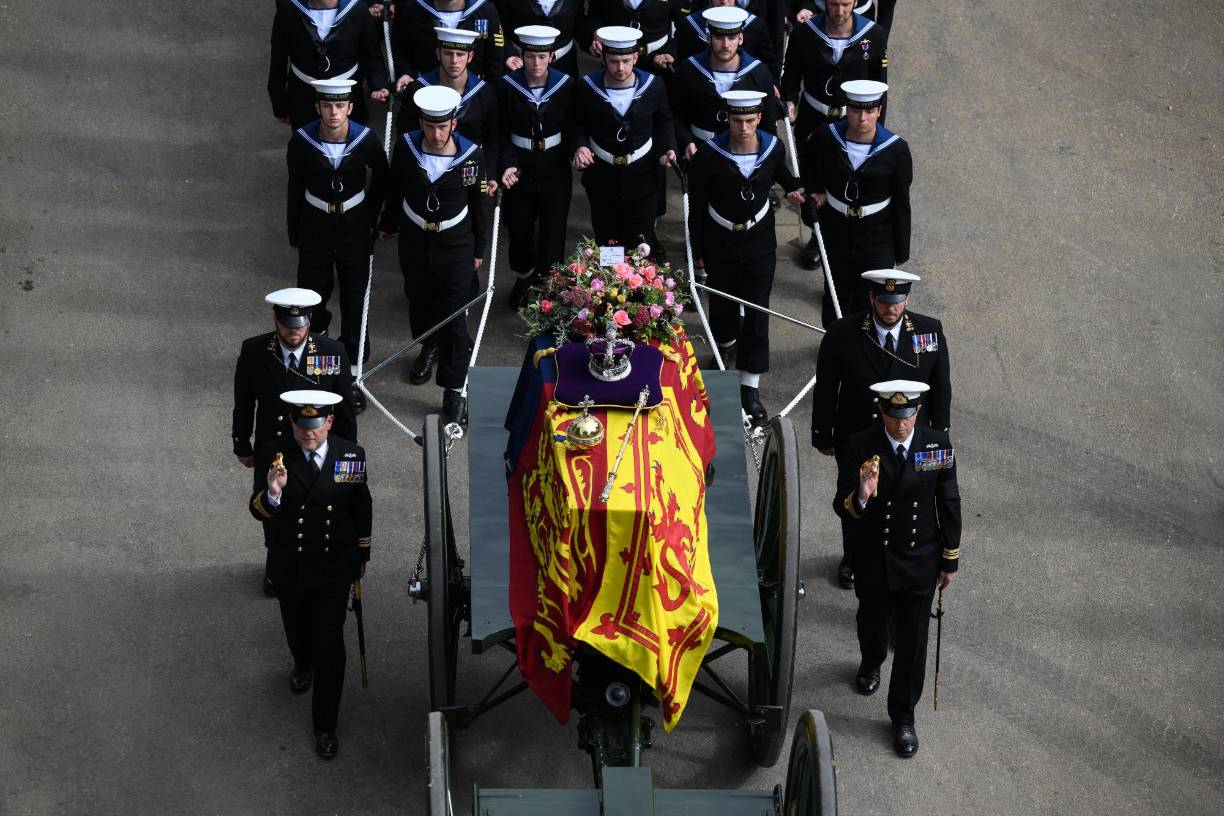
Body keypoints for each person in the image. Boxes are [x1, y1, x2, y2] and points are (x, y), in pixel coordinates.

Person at [833, 380, 959, 758]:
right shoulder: (860, 446)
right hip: (875, 557)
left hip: (920, 559)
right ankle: (871, 661)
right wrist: (862, 495)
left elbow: (948, 499)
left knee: (913, 642)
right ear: (882, 412)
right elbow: (843, 507)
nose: (900, 424)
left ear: (917, 412)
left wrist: (949, 557)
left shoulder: (937, 446)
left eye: (906, 416)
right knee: (871, 624)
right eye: (892, 415)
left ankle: (903, 716)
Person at [250, 389, 372, 760]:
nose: (309, 434)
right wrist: (273, 493)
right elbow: (257, 510)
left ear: (330, 422)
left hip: (334, 566)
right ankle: (302, 663)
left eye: (316, 427)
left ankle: (325, 725)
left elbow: (361, 505)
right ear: (292, 422)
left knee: (331, 644)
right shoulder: (273, 454)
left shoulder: (351, 454)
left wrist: (362, 553)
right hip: (291, 562)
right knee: (297, 627)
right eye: (302, 426)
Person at [811, 269, 950, 589]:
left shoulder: (928, 332)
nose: (891, 310)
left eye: (898, 302)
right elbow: (827, 387)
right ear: (872, 298)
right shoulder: (842, 333)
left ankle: (899, 558)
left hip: (910, 435)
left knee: (903, 500)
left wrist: (940, 432)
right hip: (858, 435)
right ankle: (853, 557)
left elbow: (940, 386)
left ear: (907, 299)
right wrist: (823, 433)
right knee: (856, 497)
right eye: (884, 302)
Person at [379, 86, 495, 425]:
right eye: (429, 126)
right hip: (415, 241)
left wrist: (478, 249)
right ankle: (429, 345)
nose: (435, 133)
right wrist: (387, 224)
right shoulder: (407, 147)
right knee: (419, 301)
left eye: (442, 127)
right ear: (421, 123)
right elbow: (395, 187)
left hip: (456, 245)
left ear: (453, 125)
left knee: (455, 319)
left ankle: (453, 387)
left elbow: (478, 204)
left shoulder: (471, 156)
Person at [689, 91, 804, 425]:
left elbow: (781, 175)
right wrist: (697, 253)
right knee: (722, 304)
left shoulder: (771, 148)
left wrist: (797, 187)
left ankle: (750, 388)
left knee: (757, 309)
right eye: (737, 120)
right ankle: (723, 346)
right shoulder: (709, 156)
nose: (743, 127)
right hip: (719, 239)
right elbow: (696, 208)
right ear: (728, 118)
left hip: (758, 241)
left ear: (758, 120)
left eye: (749, 121)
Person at [233, 289, 359, 596]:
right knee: (274, 510)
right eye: (288, 324)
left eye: (300, 324)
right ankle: (277, 565)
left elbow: (344, 411)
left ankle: (317, 563)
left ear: (310, 321)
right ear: (276, 320)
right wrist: (242, 443)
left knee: (319, 508)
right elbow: (244, 400)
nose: (294, 331)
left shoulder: (333, 353)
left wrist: (347, 453)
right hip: (273, 449)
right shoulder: (255, 351)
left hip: (318, 446)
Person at [287, 78, 390, 405]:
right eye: (327, 106)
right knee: (310, 298)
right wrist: (296, 232)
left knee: (355, 300)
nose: (333, 112)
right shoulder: (302, 141)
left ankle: (354, 375)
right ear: (318, 107)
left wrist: (372, 218)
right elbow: (294, 186)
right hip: (316, 227)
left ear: (350, 107)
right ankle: (315, 368)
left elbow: (384, 178)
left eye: (340, 106)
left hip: (354, 228)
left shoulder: (365, 139)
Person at [783, 0, 888, 271]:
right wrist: (791, 100)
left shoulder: (873, 35)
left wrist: (878, 133)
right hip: (813, 119)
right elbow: (792, 73)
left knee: (845, 180)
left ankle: (833, 242)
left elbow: (880, 88)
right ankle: (816, 234)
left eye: (844, 4)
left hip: (852, 122)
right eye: (833, 4)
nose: (839, 12)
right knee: (813, 179)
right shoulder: (806, 32)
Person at [800, 79, 910, 325]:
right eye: (856, 110)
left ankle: (862, 347)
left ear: (879, 111)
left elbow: (902, 202)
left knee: (870, 295)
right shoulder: (826, 137)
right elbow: (807, 162)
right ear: (847, 109)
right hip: (836, 228)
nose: (862, 118)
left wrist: (901, 249)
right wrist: (817, 192)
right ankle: (833, 341)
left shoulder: (896, 149)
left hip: (877, 234)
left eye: (870, 111)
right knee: (835, 292)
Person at [572, 26, 677, 256]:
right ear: (603, 58)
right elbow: (578, 123)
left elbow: (665, 120)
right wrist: (580, 146)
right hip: (603, 174)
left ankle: (641, 291)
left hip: (643, 174)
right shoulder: (587, 86)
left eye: (626, 61)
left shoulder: (654, 85)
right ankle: (610, 291)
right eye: (614, 61)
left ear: (636, 57)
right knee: (608, 242)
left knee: (641, 243)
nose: (620, 68)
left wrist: (669, 147)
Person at [497, 26, 577, 308]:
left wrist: (577, 148)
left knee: (554, 231)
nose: (536, 63)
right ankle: (524, 274)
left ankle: (549, 288)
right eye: (531, 56)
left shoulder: (565, 84)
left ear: (551, 56)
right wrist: (507, 164)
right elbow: (500, 131)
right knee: (518, 229)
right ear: (522, 55)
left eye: (542, 57)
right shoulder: (508, 85)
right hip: (520, 165)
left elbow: (573, 125)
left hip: (554, 165)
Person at [673, 7, 781, 160]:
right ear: (708, 38)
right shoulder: (689, 69)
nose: (725, 45)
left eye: (731, 38)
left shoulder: (759, 72)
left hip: (744, 156)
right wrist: (686, 142)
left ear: (741, 39)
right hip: (700, 152)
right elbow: (677, 115)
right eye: (719, 37)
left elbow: (768, 123)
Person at [268, 0, 390, 128]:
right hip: (303, 97)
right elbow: (278, 61)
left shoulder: (357, 9)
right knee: (306, 144)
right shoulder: (288, 10)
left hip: (348, 96)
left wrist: (378, 85)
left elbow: (371, 55)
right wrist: (279, 104)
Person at [396, 28, 501, 173]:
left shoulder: (485, 93)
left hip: (470, 170)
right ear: (438, 53)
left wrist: (489, 175)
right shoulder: (417, 89)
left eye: (460, 54)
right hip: (425, 169)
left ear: (470, 56)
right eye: (448, 53)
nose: (454, 61)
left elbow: (492, 139)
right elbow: (406, 135)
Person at [391, 0, 505, 86]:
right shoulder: (413, 8)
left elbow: (495, 58)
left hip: (473, 92)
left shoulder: (485, 8)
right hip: (426, 89)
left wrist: (489, 92)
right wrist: (406, 73)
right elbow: (400, 49)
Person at [671, 0, 779, 83]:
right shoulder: (690, 25)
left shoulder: (755, 25)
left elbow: (769, 62)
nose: (723, 1)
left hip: (744, 88)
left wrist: (772, 85)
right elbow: (682, 64)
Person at [498, 0, 587, 78]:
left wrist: (594, 43)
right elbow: (497, 26)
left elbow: (580, 27)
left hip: (565, 65)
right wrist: (508, 53)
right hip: (519, 64)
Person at [583, 0, 674, 75]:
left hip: (656, 60)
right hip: (615, 60)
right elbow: (594, 15)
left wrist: (670, 52)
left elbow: (682, 27)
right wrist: (596, 31)